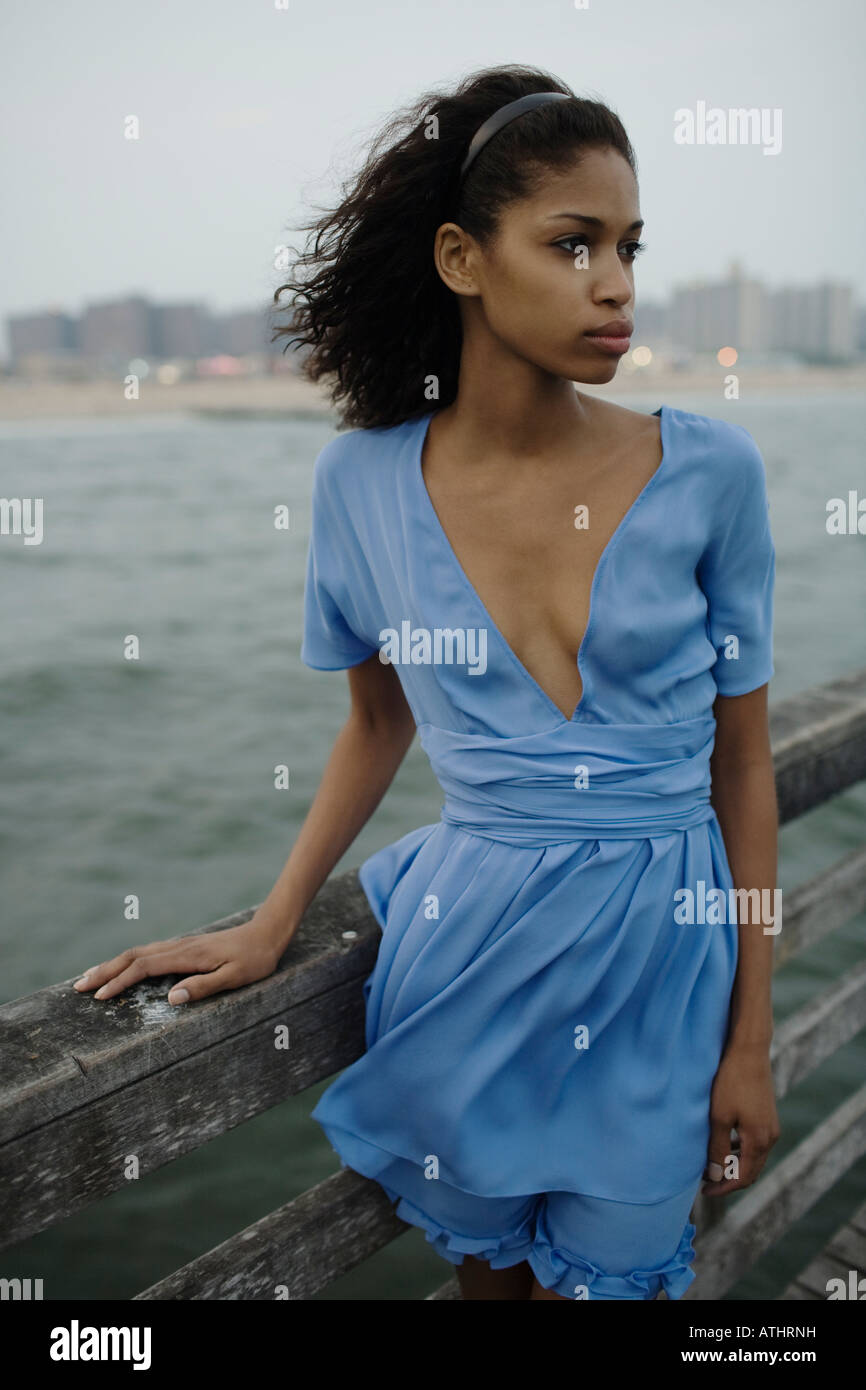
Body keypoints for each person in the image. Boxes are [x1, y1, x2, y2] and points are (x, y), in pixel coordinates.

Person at [73, 64, 781, 1302]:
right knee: (485, 1292)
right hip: (466, 962)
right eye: (571, 244)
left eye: (627, 245)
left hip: (665, 963)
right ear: (462, 258)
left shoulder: (710, 471)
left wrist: (751, 1037)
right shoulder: (360, 485)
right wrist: (274, 916)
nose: (614, 284)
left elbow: (743, 762)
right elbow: (373, 722)